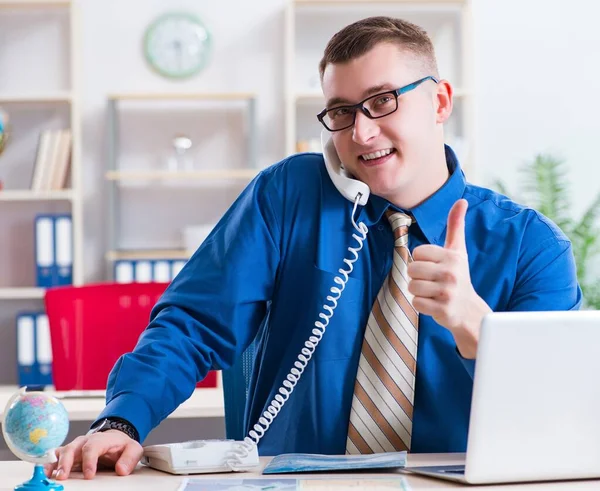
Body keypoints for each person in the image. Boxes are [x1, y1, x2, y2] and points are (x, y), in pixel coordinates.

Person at [45, 16, 581, 481]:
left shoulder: (533, 247)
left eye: (382, 101)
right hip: (295, 483)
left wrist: (477, 328)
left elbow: (558, 413)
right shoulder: (287, 196)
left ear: (439, 101)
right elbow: (192, 323)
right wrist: (122, 419)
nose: (362, 132)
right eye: (342, 111)